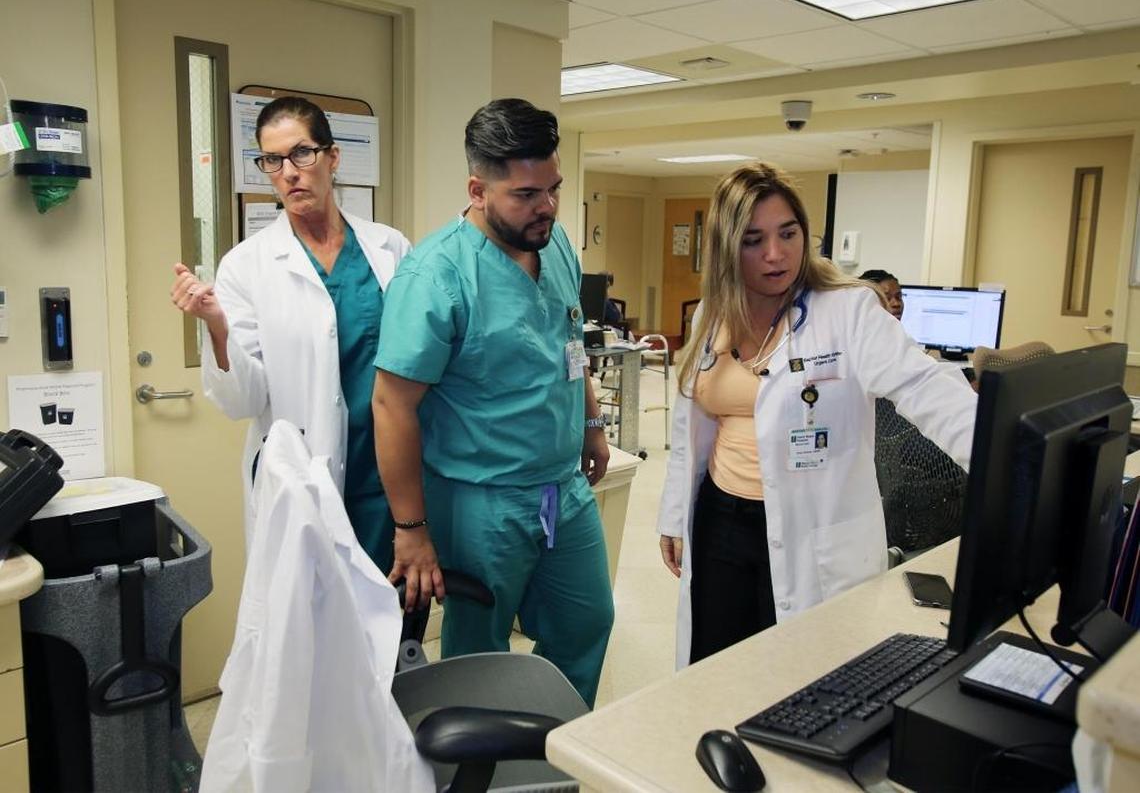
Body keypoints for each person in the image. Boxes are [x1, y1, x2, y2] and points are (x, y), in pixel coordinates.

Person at [657, 162, 977, 668]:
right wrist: (676, 515)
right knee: (717, 664)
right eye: (753, 240)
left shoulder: (848, 312)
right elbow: (689, 423)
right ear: (725, 248)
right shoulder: (712, 315)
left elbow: (924, 386)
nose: (776, 253)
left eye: (788, 233)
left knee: (800, 670)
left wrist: (1006, 465)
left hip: (812, 522)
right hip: (721, 519)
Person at [372, 98, 614, 707]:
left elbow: (569, 341)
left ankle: (551, 743)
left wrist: (591, 421)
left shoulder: (555, 245)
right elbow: (391, 406)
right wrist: (410, 530)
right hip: (481, 498)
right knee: (479, 651)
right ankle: (483, 754)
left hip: (562, 487)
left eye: (553, 189)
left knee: (586, 622)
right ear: (478, 191)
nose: (547, 206)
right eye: (526, 194)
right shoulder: (435, 276)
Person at [171, 96, 412, 570]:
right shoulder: (246, 265)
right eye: (273, 160)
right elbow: (242, 401)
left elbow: (415, 364)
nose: (289, 172)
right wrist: (217, 327)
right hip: (301, 476)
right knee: (309, 607)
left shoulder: (390, 248)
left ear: (332, 157)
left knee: (392, 606)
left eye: (302, 153)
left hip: (384, 476)